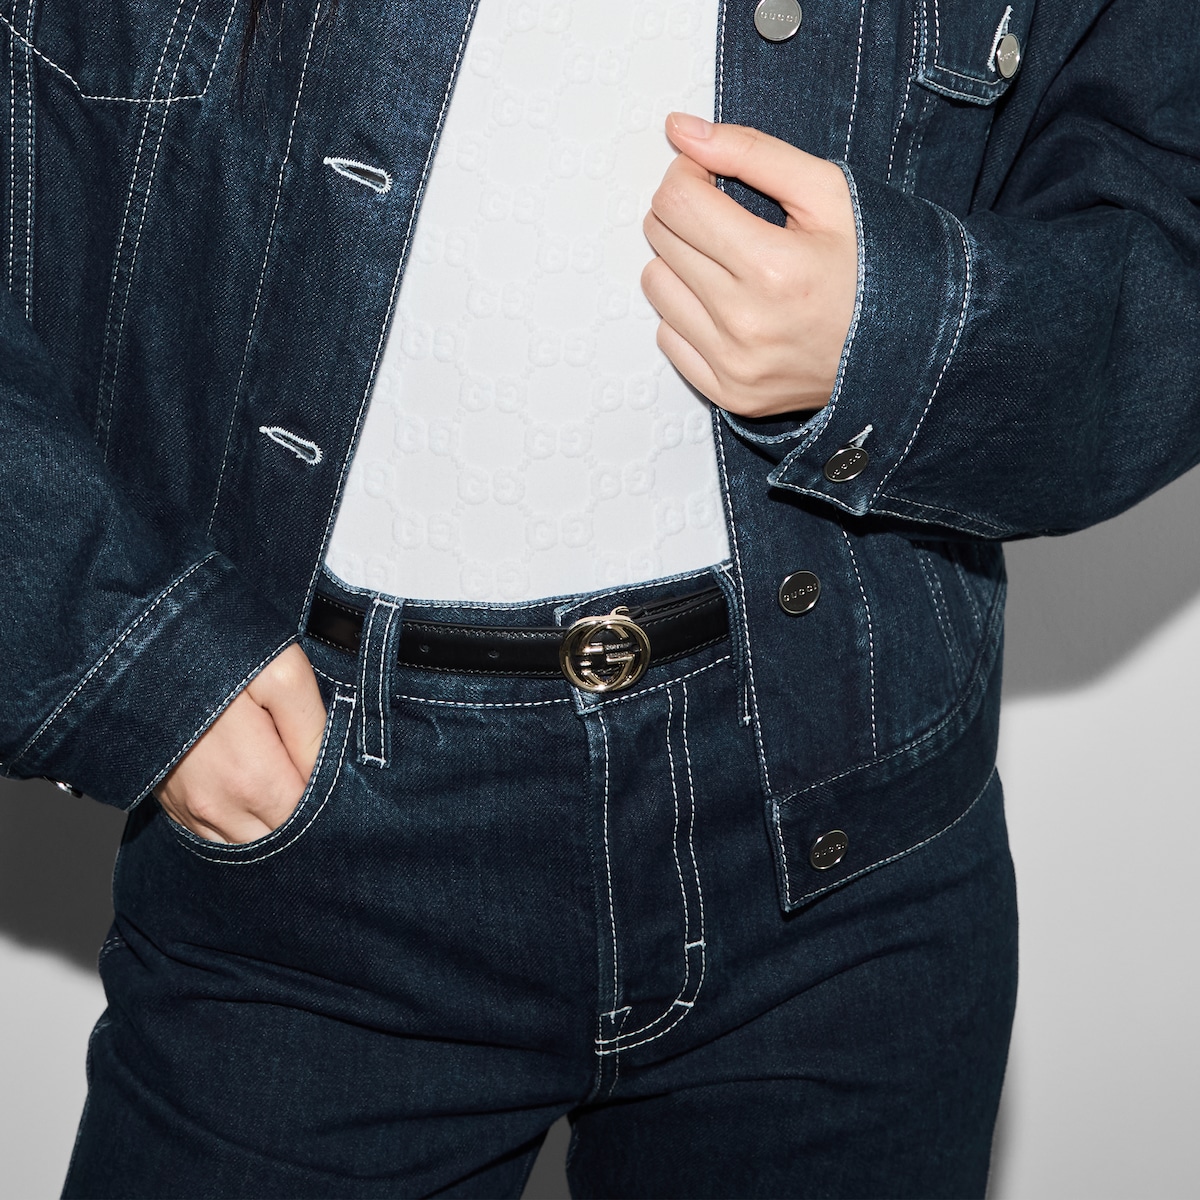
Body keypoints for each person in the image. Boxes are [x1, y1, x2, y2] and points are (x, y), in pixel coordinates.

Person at [1, 0, 1197, 1195]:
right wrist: (115, 651)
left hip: (843, 824)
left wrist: (907, 332)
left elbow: (1168, 204)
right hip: (308, 843)